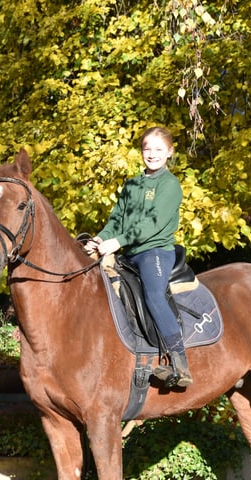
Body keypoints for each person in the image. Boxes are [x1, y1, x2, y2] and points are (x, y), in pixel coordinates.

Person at [84, 126, 193, 387]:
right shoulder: (132, 184)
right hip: (128, 254)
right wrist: (100, 239)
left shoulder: (170, 185)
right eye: (147, 149)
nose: (152, 154)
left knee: (154, 296)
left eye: (158, 149)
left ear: (169, 153)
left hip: (154, 252)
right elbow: (116, 219)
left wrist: (117, 242)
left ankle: (180, 362)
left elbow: (152, 224)